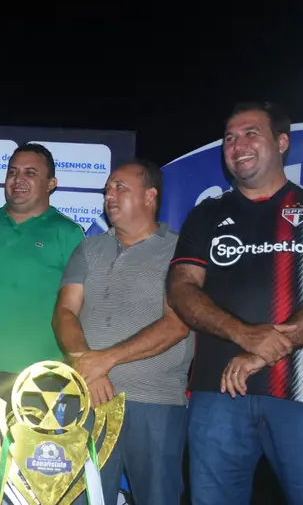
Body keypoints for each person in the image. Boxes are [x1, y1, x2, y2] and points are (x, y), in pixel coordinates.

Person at [167, 102, 303, 504]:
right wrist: (244, 335)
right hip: (218, 392)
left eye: (251, 133)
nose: (237, 144)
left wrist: (270, 347)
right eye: (229, 137)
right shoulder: (206, 215)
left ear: (282, 141)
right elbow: (181, 288)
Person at [0, 143, 85, 505]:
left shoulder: (69, 234)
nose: (18, 180)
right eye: (12, 171)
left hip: (42, 378)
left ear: (51, 183)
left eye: (30, 173)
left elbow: (76, 308)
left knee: (34, 477)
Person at [53, 160, 193, 505]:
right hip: (90, 399)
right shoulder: (89, 248)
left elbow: (176, 324)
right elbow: (64, 312)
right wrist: (88, 366)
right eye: (107, 189)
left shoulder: (181, 250)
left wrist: (104, 361)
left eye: (120, 187)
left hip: (156, 403)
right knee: (83, 498)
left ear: (150, 196)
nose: (109, 195)